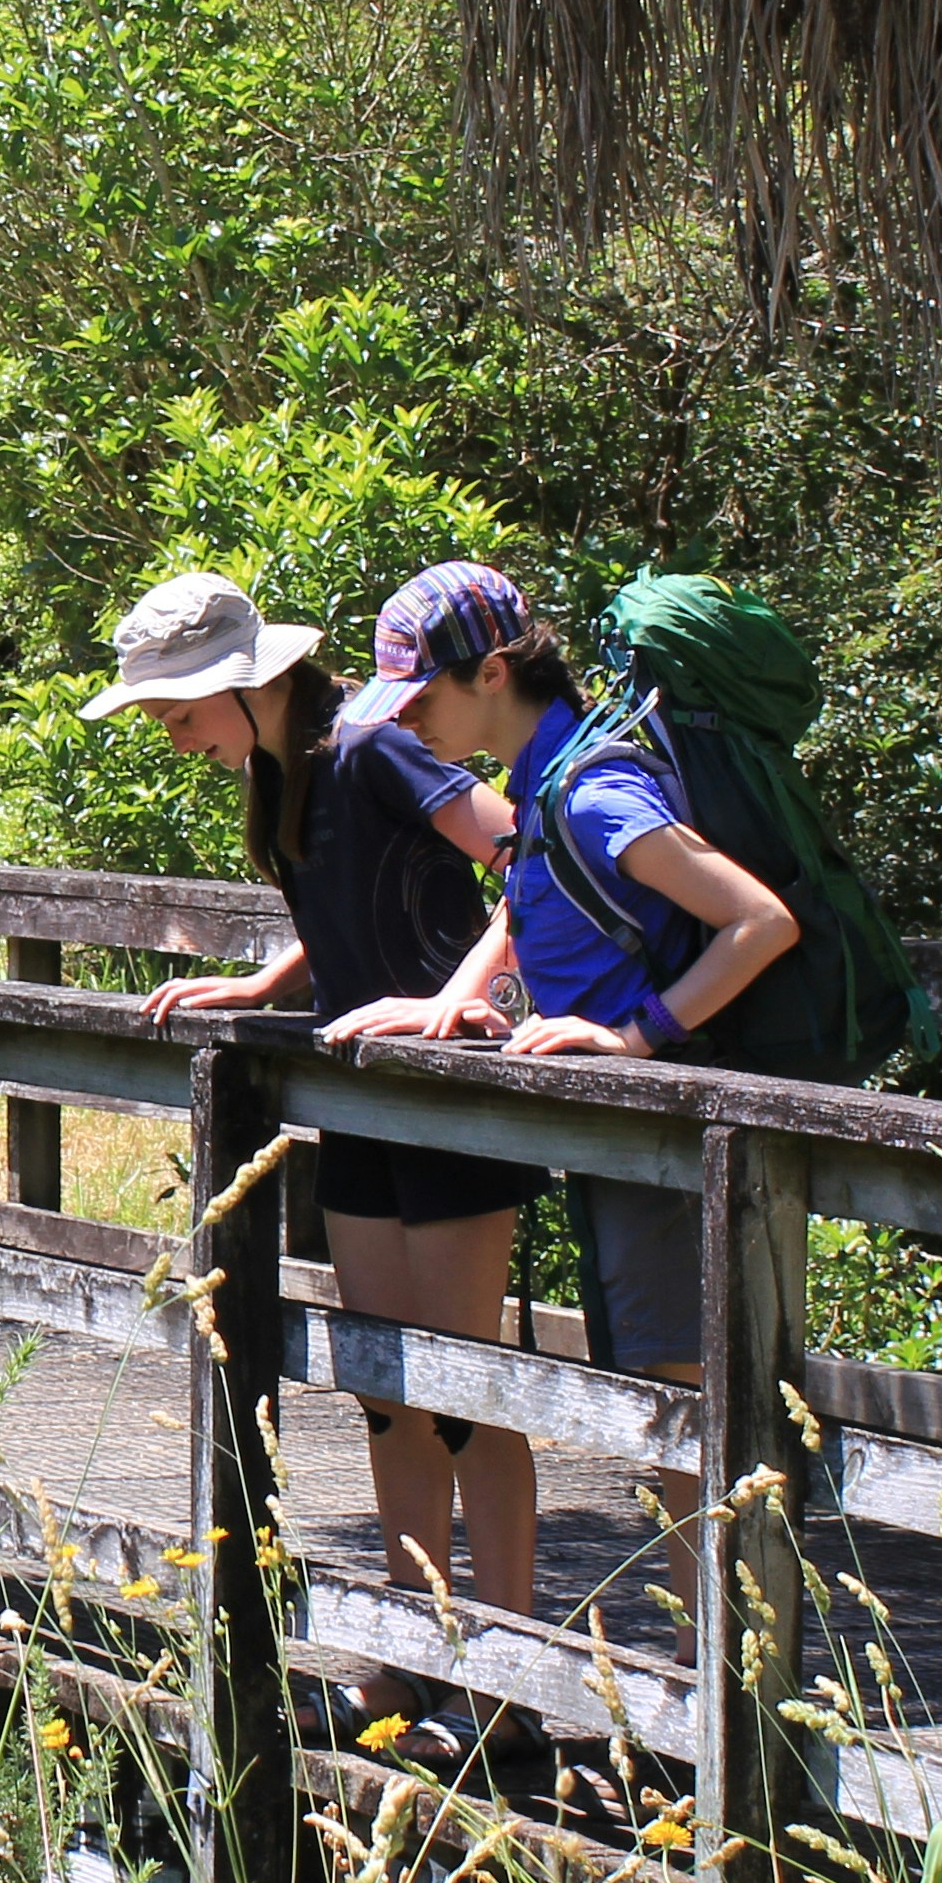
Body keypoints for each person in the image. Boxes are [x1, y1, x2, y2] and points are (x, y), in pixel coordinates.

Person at [82, 565, 543, 1734]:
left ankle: (507, 1686)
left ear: (250, 685)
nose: (172, 735)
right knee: (392, 1390)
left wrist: (453, 1000)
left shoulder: (376, 743)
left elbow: (530, 856)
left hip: (456, 1094)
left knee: (467, 1387)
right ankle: (405, 1654)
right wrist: (268, 979)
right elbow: (339, 910)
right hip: (367, 1099)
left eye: (179, 711)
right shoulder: (281, 771)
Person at [326, 578, 801, 1422]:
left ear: (495, 673)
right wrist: (452, 1002)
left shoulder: (590, 793)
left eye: (423, 695)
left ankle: (711, 1563)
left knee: (676, 1407)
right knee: (656, 1397)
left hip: (667, 1134)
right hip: (621, 1137)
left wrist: (635, 1038)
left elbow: (760, 923)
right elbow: (535, 914)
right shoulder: (546, 784)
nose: (405, 720)